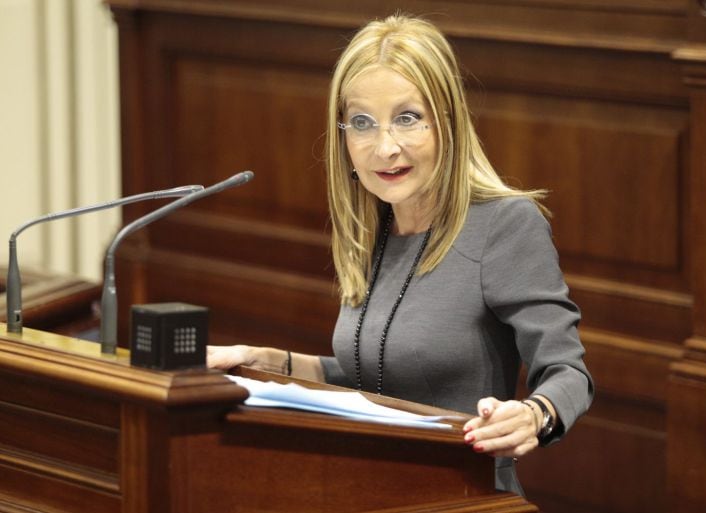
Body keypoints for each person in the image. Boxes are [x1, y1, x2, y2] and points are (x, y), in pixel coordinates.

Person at [207, 13, 593, 495]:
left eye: (407, 118)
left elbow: (568, 372)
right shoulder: (377, 226)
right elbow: (375, 377)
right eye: (363, 123)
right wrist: (262, 360)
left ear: (447, 122)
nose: (384, 147)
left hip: (461, 495)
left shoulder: (505, 224)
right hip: (365, 489)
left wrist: (535, 415)